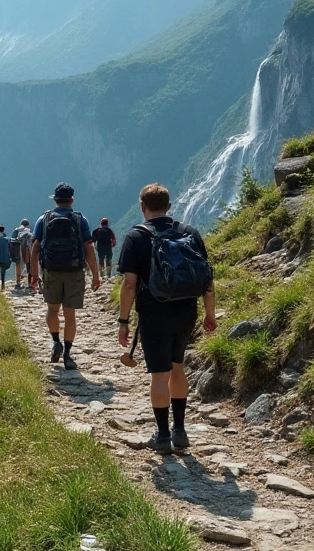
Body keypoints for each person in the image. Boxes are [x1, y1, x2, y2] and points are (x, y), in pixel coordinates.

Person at [116, 184, 217, 453]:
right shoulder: (189, 233)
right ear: (169, 207)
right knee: (177, 367)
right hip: (186, 311)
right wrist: (210, 314)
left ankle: (162, 436)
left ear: (142, 206)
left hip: (153, 313)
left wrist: (123, 321)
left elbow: (129, 284)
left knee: (159, 375)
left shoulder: (136, 237)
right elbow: (207, 278)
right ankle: (180, 431)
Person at [29, 183, 102, 371]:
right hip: (74, 271)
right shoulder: (80, 220)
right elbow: (88, 248)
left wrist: (34, 274)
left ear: (55, 199)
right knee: (70, 315)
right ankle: (68, 354)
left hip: (51, 271)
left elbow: (35, 248)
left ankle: (55, 341)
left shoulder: (43, 220)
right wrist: (95, 275)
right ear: (72, 200)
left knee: (52, 310)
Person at [13, 219, 33, 289]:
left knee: (18, 267)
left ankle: (18, 282)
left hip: (18, 251)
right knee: (28, 267)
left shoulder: (17, 231)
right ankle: (30, 283)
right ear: (27, 225)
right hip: (27, 251)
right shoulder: (29, 232)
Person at [0, 225, 13, 290]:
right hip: (5, 257)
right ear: (4, 230)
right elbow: (10, 247)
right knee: (3, 271)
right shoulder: (7, 239)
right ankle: (3, 285)